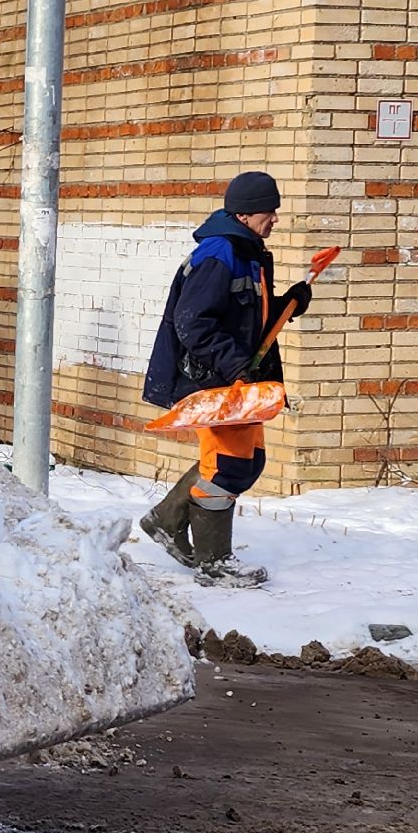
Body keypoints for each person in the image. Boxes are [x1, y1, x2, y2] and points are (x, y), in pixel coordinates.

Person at [139, 171, 310, 587]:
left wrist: (289, 303)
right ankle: (214, 563)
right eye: (270, 211)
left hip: (238, 380)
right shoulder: (220, 253)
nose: (275, 219)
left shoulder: (246, 251)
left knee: (248, 463)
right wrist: (234, 363)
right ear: (246, 212)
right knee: (228, 467)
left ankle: (165, 518)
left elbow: (246, 315)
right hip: (217, 381)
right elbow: (192, 322)